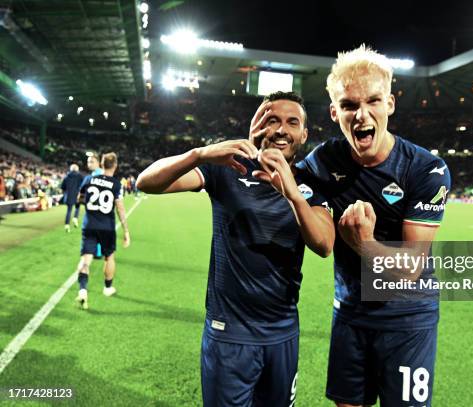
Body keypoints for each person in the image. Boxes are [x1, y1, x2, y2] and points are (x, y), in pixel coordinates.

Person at [136, 91, 334, 406]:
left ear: (304, 134)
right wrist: (199, 154)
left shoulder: (310, 185)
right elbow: (146, 182)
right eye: (273, 120)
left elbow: (324, 245)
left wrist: (293, 194)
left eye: (291, 122)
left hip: (282, 333)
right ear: (259, 126)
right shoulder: (228, 167)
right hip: (229, 333)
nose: (281, 129)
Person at [294, 45, 451, 407]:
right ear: (335, 112)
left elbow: (410, 269)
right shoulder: (322, 162)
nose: (362, 115)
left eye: (373, 101)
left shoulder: (426, 169)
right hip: (350, 311)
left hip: (408, 316)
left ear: (390, 104)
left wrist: (365, 243)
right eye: (349, 105)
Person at [75, 153, 130, 310]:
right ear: (115, 166)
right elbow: (120, 208)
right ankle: (107, 287)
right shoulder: (116, 184)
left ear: (101, 164)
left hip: (89, 225)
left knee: (86, 259)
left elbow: (80, 198)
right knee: (109, 257)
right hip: (106, 226)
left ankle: (83, 290)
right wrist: (126, 230)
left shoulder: (88, 179)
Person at [86, 154, 104, 258]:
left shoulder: (100, 174)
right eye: (88, 162)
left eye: (91, 161)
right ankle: (97, 251)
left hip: (99, 207)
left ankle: (98, 252)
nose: (89, 164)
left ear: (98, 163)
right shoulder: (94, 174)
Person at [61, 164, 84, 232]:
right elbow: (83, 186)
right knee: (77, 207)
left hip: (68, 196)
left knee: (69, 211)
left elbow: (63, 187)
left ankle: (67, 225)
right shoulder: (80, 176)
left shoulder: (66, 177)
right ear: (77, 169)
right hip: (77, 195)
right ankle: (75, 218)